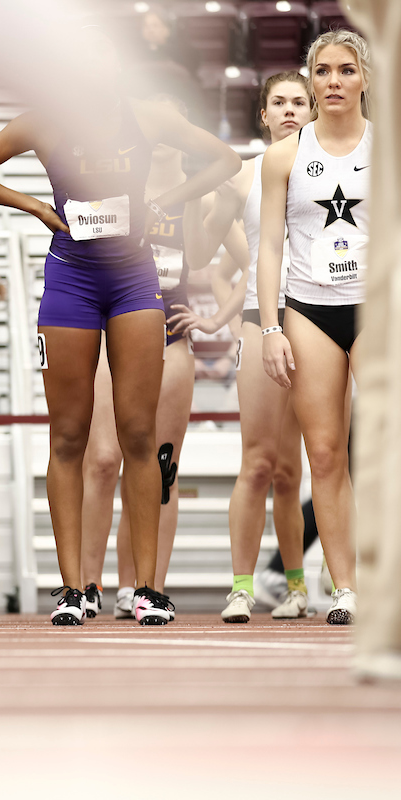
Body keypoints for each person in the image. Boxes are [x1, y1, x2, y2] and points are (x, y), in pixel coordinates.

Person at [0, 28, 240, 625]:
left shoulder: (147, 116)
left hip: (134, 283)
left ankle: (147, 588)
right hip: (71, 283)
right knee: (69, 437)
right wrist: (33, 205)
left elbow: (227, 160)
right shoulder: (44, 121)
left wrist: (168, 200)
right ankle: (74, 588)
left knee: (139, 436)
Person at [77, 95, 241, 618]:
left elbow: (248, 262)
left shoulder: (203, 194)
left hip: (171, 336)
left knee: (160, 468)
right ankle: (86, 584)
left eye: (175, 115)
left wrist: (216, 320)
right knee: (104, 459)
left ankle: (144, 586)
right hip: (115, 338)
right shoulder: (114, 181)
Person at [170, 72, 314, 622]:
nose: (289, 110)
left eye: (298, 102)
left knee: (298, 471)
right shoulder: (242, 177)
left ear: (312, 111)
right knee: (258, 463)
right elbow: (202, 254)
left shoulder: (338, 172)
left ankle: (300, 588)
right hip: (263, 321)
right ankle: (242, 588)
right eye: (279, 102)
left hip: (325, 321)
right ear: (264, 114)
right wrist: (191, 193)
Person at [258, 30, 372, 625]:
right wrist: (269, 327)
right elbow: (269, 248)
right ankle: (345, 587)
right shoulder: (285, 156)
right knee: (325, 454)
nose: (333, 81)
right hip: (308, 308)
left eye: (345, 70)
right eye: (322, 71)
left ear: (364, 78)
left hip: (377, 308)